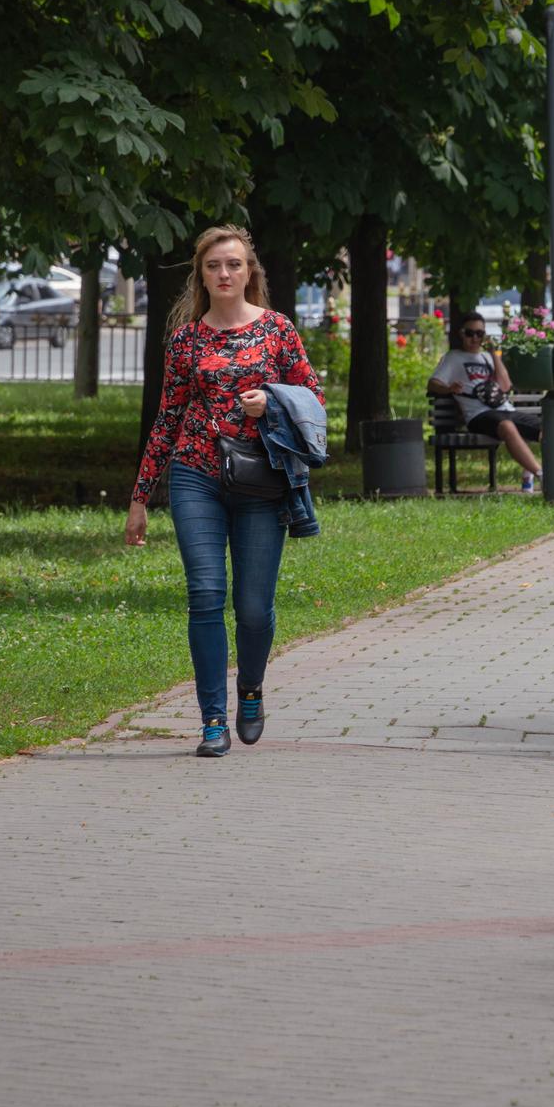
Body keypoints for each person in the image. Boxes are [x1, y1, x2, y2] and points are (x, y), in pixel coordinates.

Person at [126, 225, 321, 758]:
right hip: (197, 476)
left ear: (249, 271)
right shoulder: (188, 339)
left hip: (261, 479)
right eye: (214, 266)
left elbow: (314, 395)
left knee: (254, 609)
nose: (224, 274)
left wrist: (272, 403)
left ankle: (251, 690)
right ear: (202, 276)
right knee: (206, 594)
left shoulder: (277, 330)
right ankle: (213, 719)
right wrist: (140, 497)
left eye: (234, 264)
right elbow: (166, 417)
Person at [429, 311, 545, 490]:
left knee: (549, 429)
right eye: (470, 333)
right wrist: (449, 389)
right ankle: (542, 476)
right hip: (478, 415)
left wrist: (494, 354)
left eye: (480, 334)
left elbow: (505, 386)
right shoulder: (453, 357)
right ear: (461, 333)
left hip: (505, 409)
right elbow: (433, 383)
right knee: (507, 426)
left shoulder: (487, 357)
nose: (475, 338)